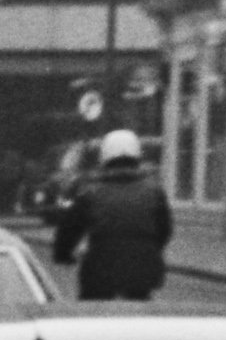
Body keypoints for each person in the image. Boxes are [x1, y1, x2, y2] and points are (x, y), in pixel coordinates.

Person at [50, 127, 176, 302]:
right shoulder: (154, 192)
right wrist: (149, 247)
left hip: (100, 269)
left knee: (93, 313)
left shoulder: (90, 192)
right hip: (143, 269)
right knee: (141, 308)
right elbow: (165, 229)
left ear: (104, 158)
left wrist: (63, 253)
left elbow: (70, 228)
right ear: (137, 157)